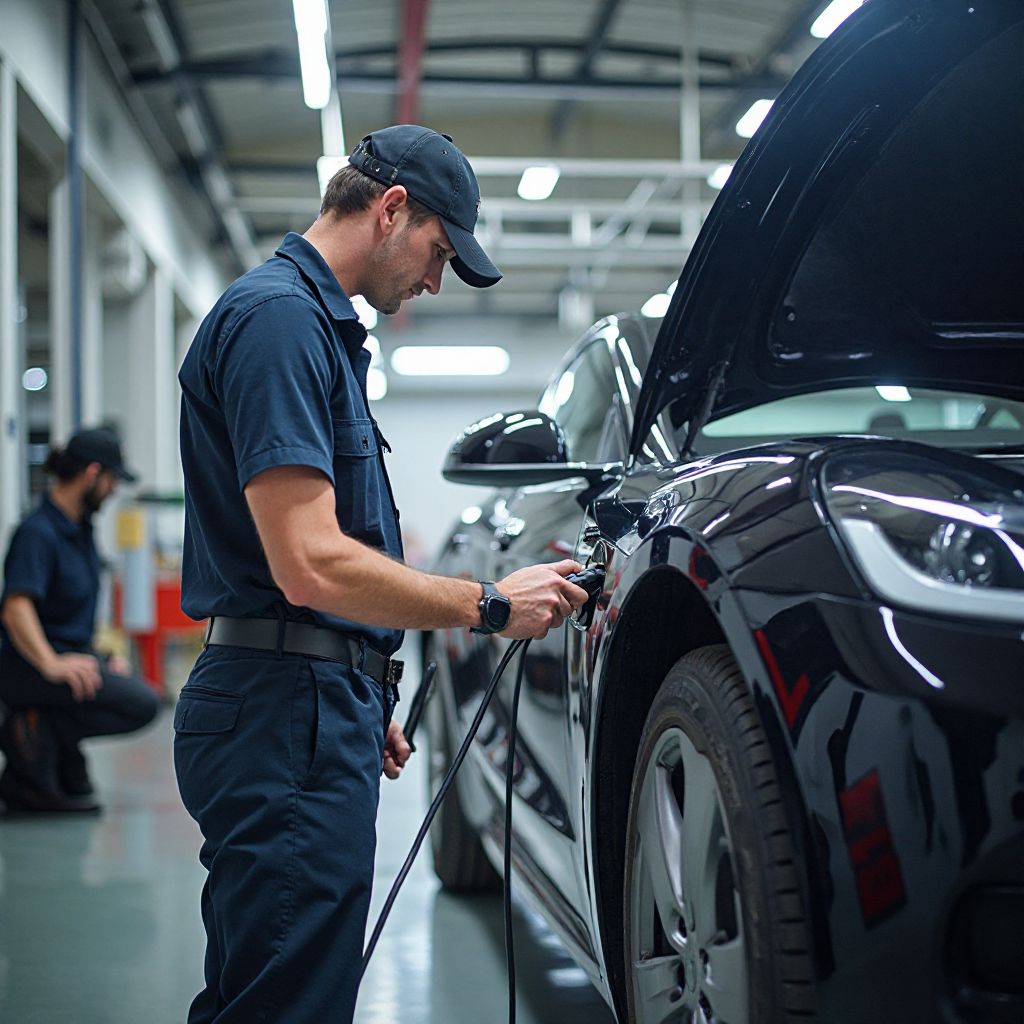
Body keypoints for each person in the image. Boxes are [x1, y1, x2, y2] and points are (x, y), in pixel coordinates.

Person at [175, 124, 588, 1024]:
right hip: (283, 715)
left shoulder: (312, 330)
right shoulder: (281, 321)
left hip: (305, 703)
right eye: (439, 253)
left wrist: (359, 681)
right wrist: (488, 604)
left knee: (268, 992)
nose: (434, 282)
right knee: (287, 1005)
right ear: (392, 208)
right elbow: (310, 563)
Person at [0, 427, 160, 813]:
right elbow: (16, 607)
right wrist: (51, 664)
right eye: (112, 480)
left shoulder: (81, 531)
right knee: (142, 703)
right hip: (26, 666)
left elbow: (69, 616)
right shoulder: (38, 533)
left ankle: (41, 734)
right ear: (92, 473)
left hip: (69, 654)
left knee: (80, 781)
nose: (113, 490)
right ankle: (27, 733)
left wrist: (101, 656)